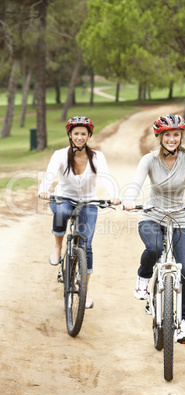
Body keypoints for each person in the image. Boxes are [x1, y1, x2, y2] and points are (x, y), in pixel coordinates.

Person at [124, 113, 185, 343]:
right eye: (167, 135)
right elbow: (136, 183)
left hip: (179, 219)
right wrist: (130, 199)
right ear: (160, 136)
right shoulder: (149, 159)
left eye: (176, 134)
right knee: (154, 249)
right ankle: (143, 278)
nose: (172, 139)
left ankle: (184, 324)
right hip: (151, 216)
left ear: (181, 136)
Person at [39, 116, 119, 309]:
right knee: (62, 212)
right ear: (70, 134)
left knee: (87, 246)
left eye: (84, 133)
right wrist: (44, 189)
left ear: (89, 135)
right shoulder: (60, 155)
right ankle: (58, 247)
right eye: (76, 133)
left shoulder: (97, 157)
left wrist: (114, 195)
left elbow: (107, 177)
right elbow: (50, 174)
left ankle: (85, 289)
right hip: (63, 198)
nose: (80, 137)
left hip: (88, 202)